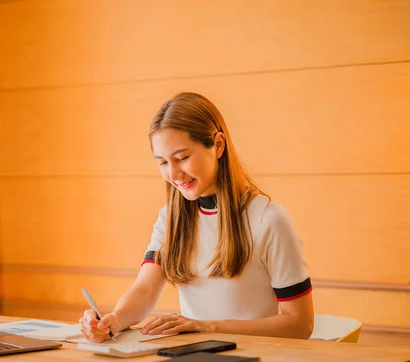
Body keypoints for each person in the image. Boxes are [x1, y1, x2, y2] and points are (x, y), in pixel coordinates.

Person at [80, 92, 314, 342]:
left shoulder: (268, 219)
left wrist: (205, 327)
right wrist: (113, 321)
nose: (174, 174)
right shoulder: (170, 217)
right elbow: (145, 290)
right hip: (194, 358)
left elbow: (299, 324)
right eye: (162, 163)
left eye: (182, 158)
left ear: (218, 145)